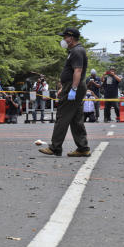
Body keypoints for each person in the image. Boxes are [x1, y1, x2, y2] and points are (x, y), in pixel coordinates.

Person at [39, 28, 91, 157]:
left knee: (62, 116)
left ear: (71, 38)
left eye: (65, 37)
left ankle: (55, 147)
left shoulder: (77, 51)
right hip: (73, 86)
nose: (63, 40)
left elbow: (77, 71)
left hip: (74, 87)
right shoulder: (75, 51)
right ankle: (83, 148)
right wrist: (66, 87)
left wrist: (72, 89)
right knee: (75, 118)